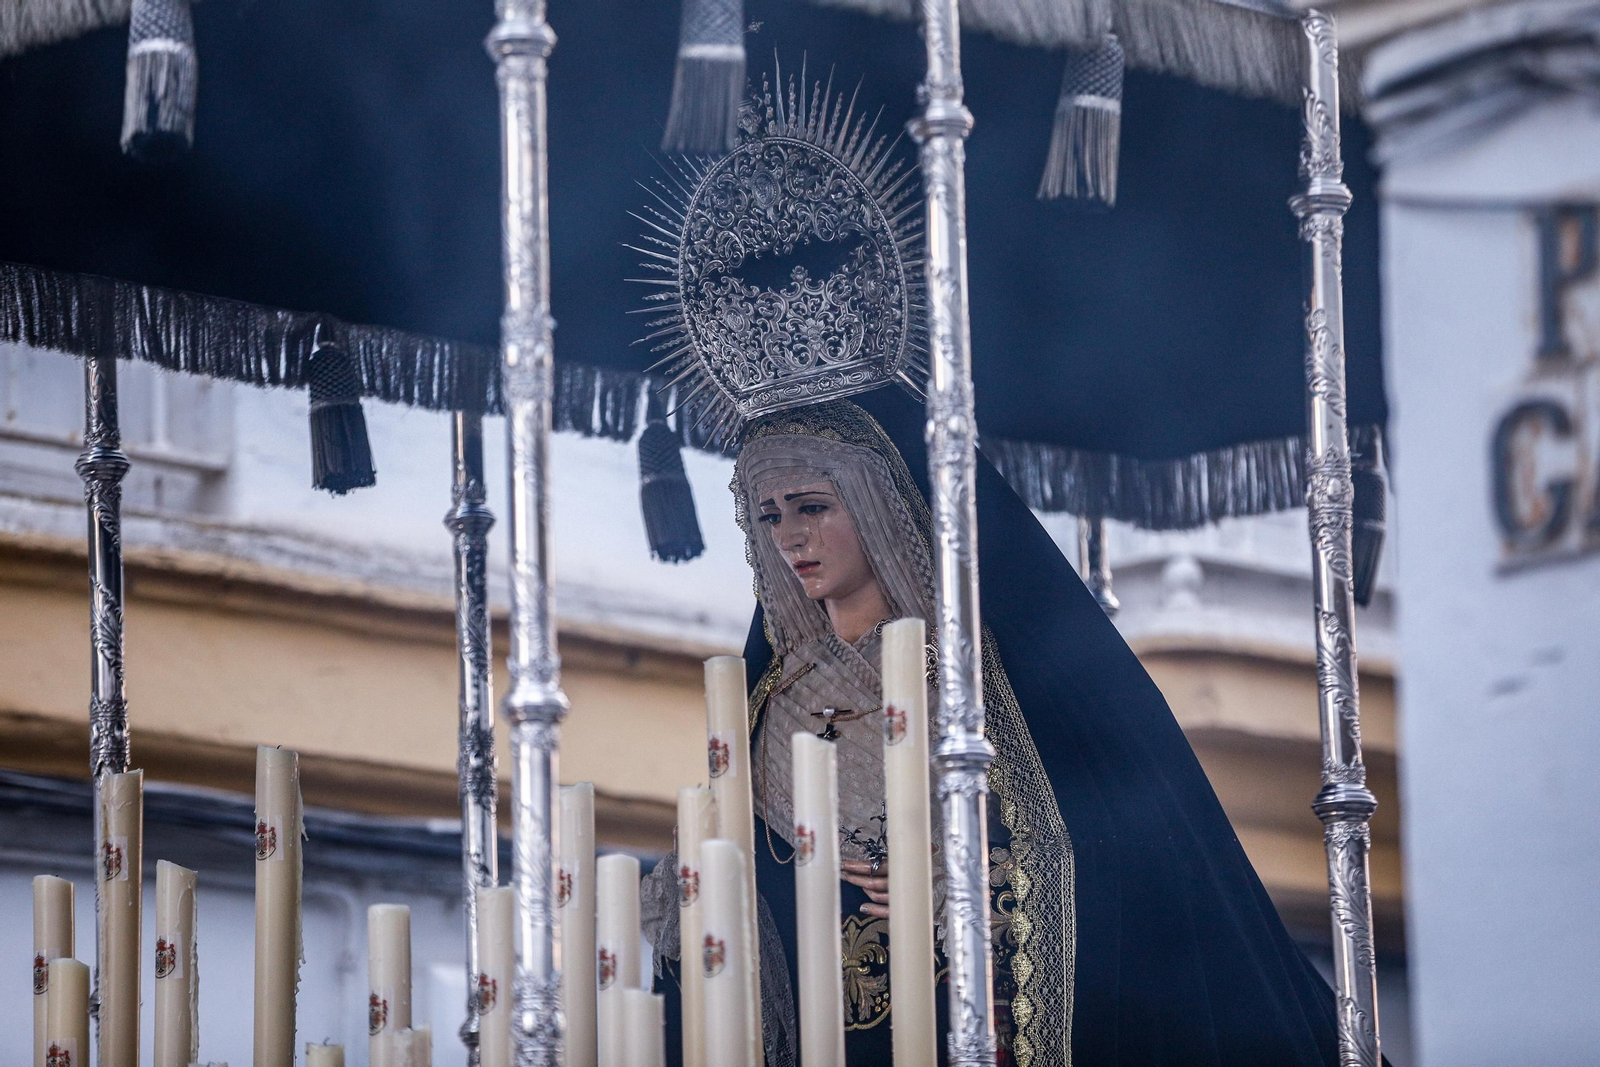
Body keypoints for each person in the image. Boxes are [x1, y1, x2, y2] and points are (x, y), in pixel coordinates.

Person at [643, 391, 1356, 1066]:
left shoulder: (1001, 686)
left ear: (882, 503)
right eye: (769, 515)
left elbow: (1142, 864)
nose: (790, 535)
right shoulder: (765, 704)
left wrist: (986, 887)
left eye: (812, 506)